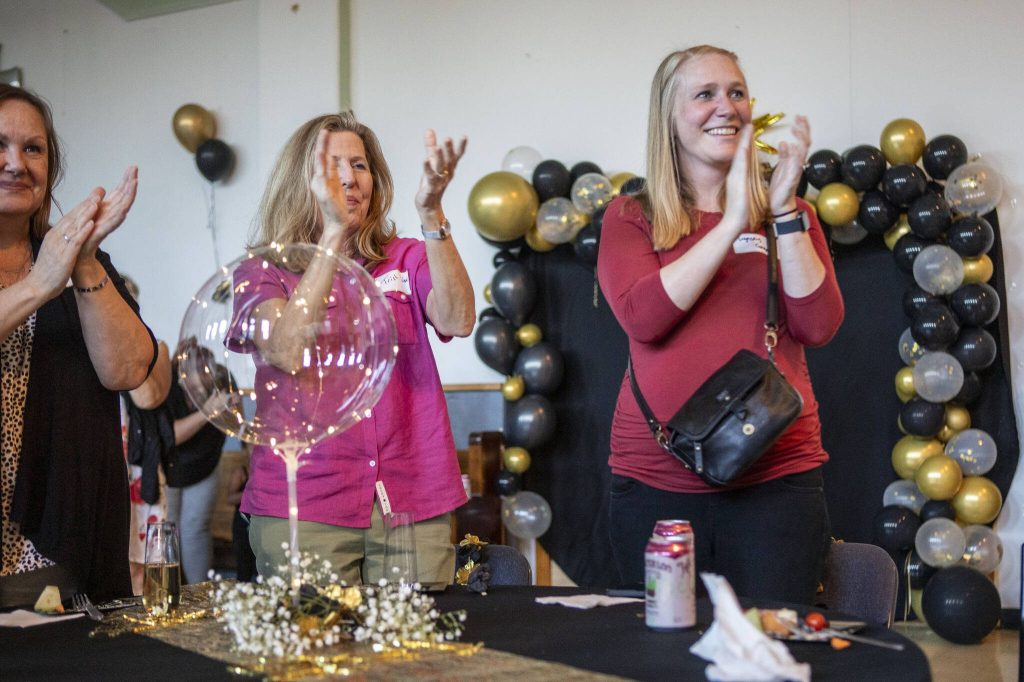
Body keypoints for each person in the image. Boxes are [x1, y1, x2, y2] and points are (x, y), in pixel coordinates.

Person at [597, 46, 844, 604]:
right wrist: (733, 219)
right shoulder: (632, 216)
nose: (725, 107)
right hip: (652, 482)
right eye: (704, 94)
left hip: (779, 482)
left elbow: (819, 324)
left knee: (772, 651)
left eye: (735, 92)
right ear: (669, 117)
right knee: (659, 652)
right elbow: (645, 317)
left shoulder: (794, 215)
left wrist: (778, 212)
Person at [232, 112, 473, 586]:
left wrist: (431, 213)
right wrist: (331, 236)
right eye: (333, 166)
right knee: (313, 655)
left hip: (412, 501)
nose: (349, 178)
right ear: (302, 182)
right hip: (304, 508)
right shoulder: (262, 270)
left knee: (418, 657)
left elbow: (459, 318)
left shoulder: (405, 255)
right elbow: (285, 350)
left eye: (360, 166)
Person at [0, 84, 157, 606]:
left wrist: (84, 260)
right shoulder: (48, 272)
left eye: (33, 148)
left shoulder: (72, 257)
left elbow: (129, 370)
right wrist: (40, 285)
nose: (16, 164)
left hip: (51, 546)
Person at [163, 343, 232, 584]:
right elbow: (170, 435)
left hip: (205, 464)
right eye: (194, 375)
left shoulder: (222, 379)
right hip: (167, 465)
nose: (200, 381)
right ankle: (168, 591)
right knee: (167, 529)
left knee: (196, 527)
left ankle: (200, 591)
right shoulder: (168, 384)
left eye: (207, 371)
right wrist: (207, 412)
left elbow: (236, 421)